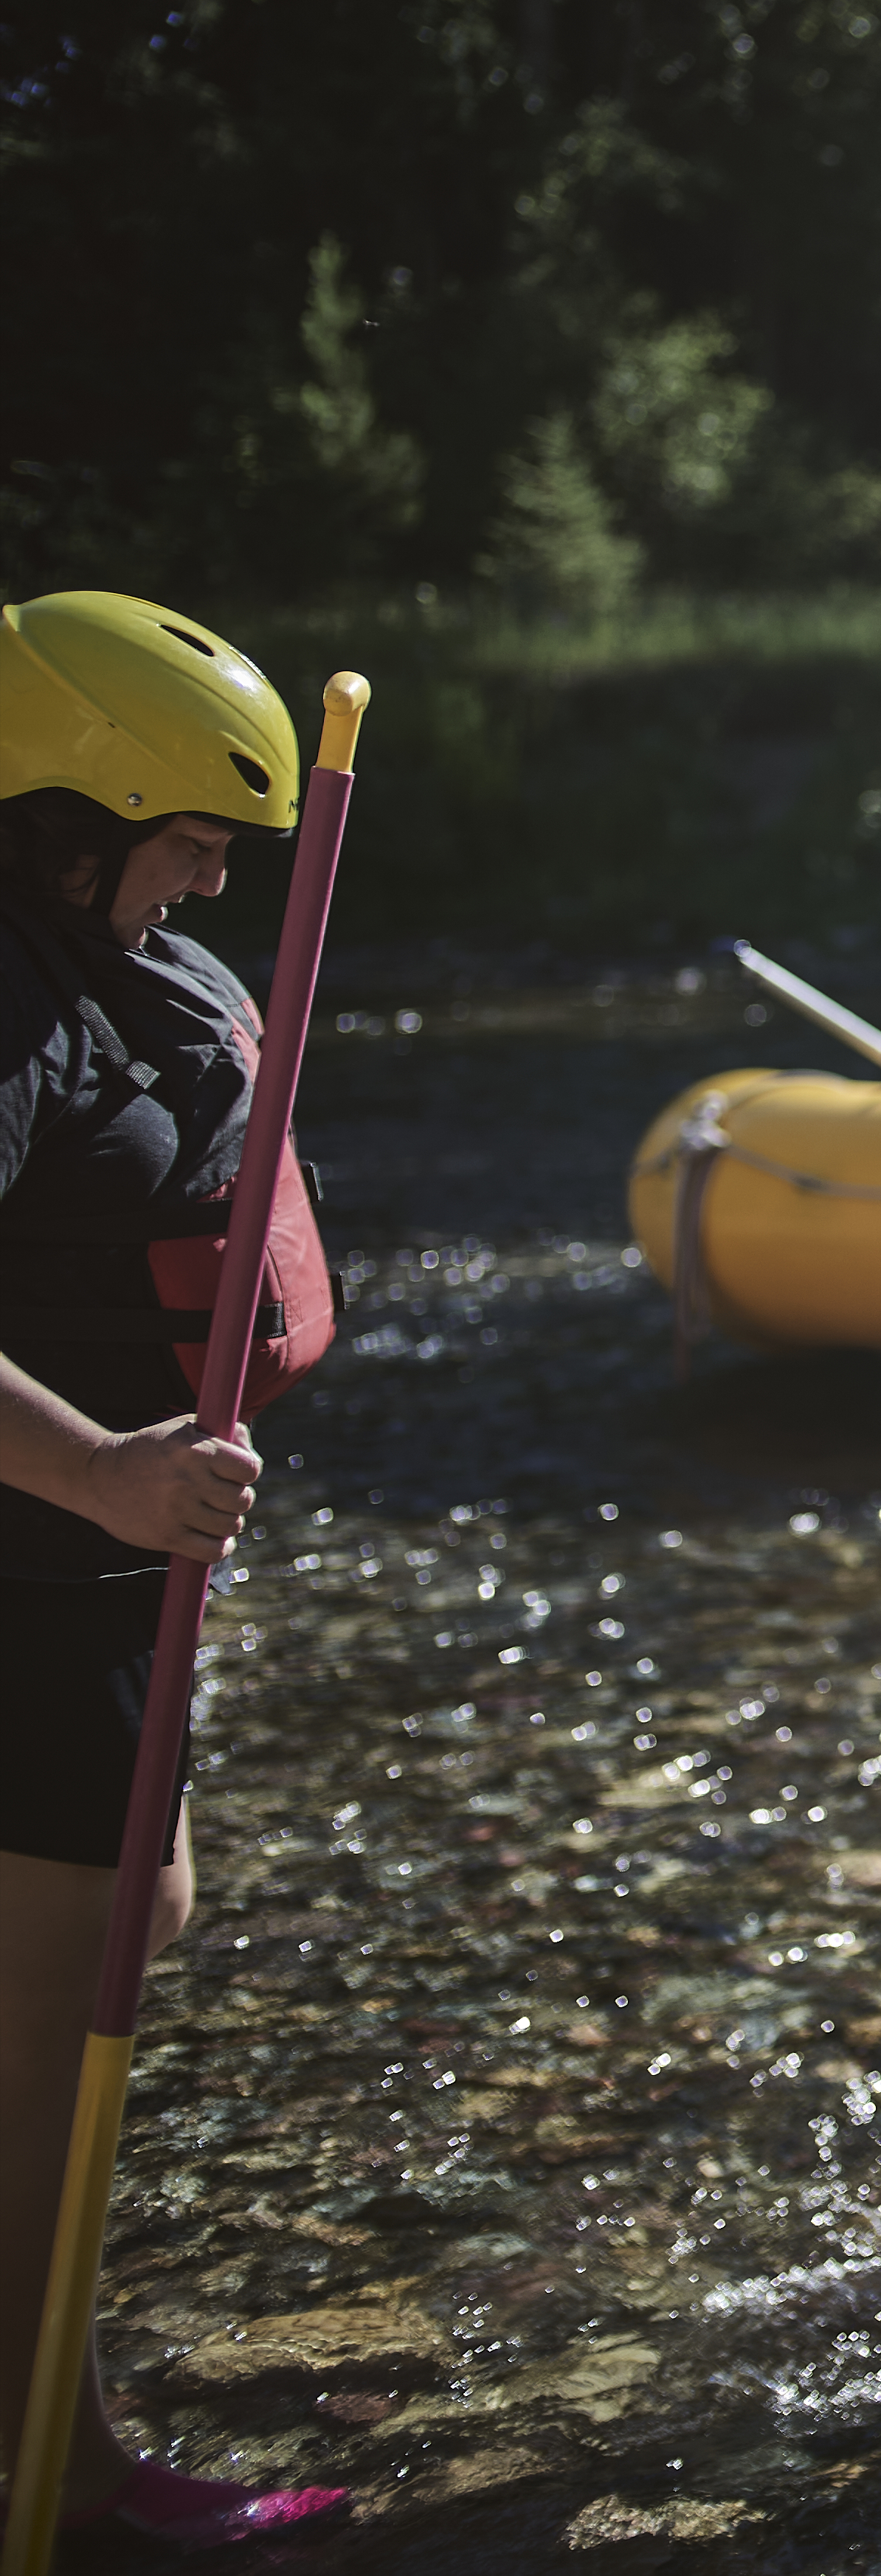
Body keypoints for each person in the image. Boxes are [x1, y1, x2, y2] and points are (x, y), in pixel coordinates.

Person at [0, 592, 354, 2549]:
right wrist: (106, 1479)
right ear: (66, 809)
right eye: (190, 833)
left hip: (95, 1577)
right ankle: (61, 2469)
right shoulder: (10, 993)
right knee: (58, 2031)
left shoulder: (118, 968)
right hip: (36, 1573)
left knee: (134, 1934)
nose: (216, 872)